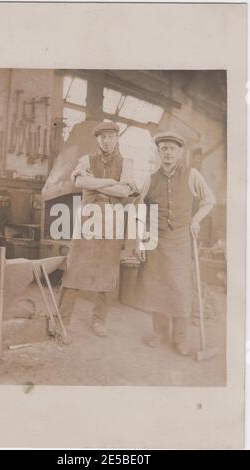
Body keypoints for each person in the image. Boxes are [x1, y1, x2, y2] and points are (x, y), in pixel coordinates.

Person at [135, 131, 216, 355]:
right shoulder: (150, 179)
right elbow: (141, 211)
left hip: (181, 241)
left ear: (179, 152)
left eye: (172, 148)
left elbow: (210, 201)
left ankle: (180, 339)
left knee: (180, 289)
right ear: (158, 152)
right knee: (156, 288)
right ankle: (160, 333)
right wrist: (140, 243)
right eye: (164, 148)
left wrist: (196, 220)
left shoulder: (192, 176)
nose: (168, 152)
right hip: (155, 242)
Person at [56, 121, 136, 343]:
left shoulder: (127, 162)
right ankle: (62, 320)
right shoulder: (85, 160)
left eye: (111, 136)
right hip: (88, 218)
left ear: (117, 138)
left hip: (113, 220)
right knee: (74, 269)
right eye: (102, 137)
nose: (107, 140)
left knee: (108, 272)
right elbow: (79, 181)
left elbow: (124, 190)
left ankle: (99, 320)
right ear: (97, 139)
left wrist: (94, 184)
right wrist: (111, 182)